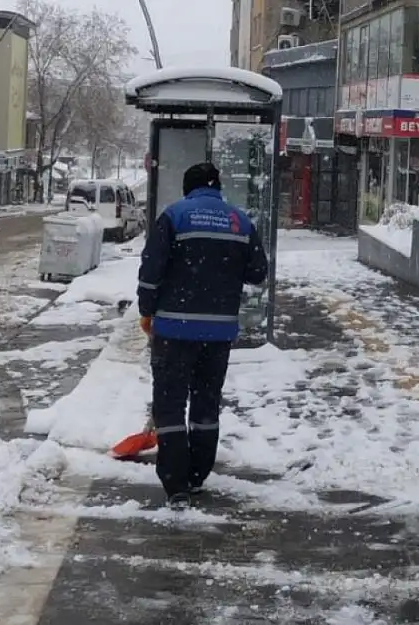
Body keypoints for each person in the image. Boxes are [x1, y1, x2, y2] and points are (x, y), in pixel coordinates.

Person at [137, 162, 269, 509]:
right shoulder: (239, 220)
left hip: (173, 330)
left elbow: (151, 270)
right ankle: (197, 474)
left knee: (169, 405)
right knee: (206, 403)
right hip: (218, 332)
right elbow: (258, 273)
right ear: (218, 187)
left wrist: (147, 311)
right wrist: (225, 269)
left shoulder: (175, 216)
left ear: (188, 188)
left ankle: (176, 485)